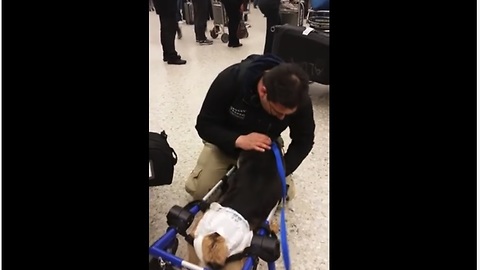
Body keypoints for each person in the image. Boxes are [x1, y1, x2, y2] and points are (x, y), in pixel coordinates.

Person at [185, 54, 315, 201]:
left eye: (287, 114)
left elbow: (304, 140)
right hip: (227, 142)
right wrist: (238, 140)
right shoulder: (230, 80)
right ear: (263, 92)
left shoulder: (299, 98)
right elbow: (204, 124)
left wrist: (282, 170)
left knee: (280, 197)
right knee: (201, 193)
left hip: (266, 146)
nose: (282, 118)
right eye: (277, 112)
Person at [152, 0, 187, 64]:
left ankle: (167, 53)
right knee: (169, 28)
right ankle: (171, 56)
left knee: (165, 27)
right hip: (167, 4)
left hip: (162, 4)